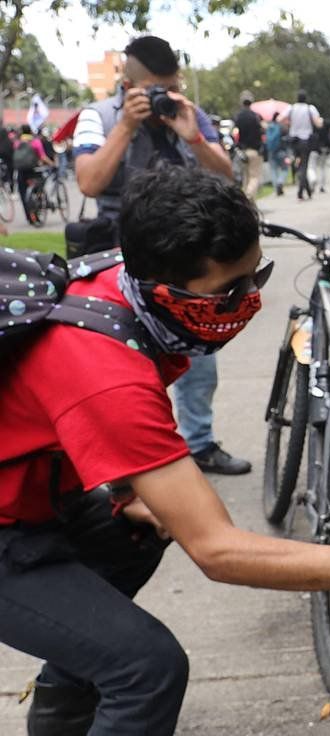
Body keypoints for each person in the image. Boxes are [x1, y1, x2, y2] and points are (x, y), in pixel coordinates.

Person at [0, 165, 330, 736]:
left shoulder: (124, 281)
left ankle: (62, 699)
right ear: (164, 284)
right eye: (227, 294)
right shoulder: (105, 371)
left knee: (137, 530)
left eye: (256, 277)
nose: (248, 305)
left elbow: (53, 411)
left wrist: (125, 493)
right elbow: (219, 552)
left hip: (32, 492)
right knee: (147, 670)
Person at [73, 35, 250, 476]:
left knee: (198, 363)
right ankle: (126, 467)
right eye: (153, 91)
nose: (161, 100)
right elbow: (90, 182)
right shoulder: (98, 116)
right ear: (128, 84)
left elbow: (228, 180)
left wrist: (193, 139)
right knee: (122, 370)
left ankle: (200, 443)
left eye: (168, 89)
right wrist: (126, 127)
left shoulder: (189, 115)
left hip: (185, 267)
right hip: (118, 262)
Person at [284, 89, 322, 201]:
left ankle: (308, 191)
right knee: (304, 165)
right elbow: (318, 124)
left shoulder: (291, 108)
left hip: (294, 140)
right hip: (305, 140)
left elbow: (279, 119)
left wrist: (290, 124)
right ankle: (301, 190)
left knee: (299, 164)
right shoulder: (310, 109)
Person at [14, 124, 55, 223]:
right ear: (31, 131)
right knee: (39, 190)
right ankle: (38, 209)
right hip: (34, 171)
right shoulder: (35, 141)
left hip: (21, 171)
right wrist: (52, 164)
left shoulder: (17, 143)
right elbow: (42, 156)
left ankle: (29, 217)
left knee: (23, 194)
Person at [233, 90, 264, 198]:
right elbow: (261, 132)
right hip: (255, 150)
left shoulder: (238, 117)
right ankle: (248, 196)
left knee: (246, 177)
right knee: (254, 177)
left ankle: (247, 202)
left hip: (242, 151)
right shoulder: (256, 117)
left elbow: (235, 134)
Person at [265, 111, 287, 195]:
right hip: (281, 151)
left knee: (273, 170)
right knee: (284, 168)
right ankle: (280, 182)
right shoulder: (281, 127)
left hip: (271, 151)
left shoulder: (269, 127)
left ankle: (275, 188)